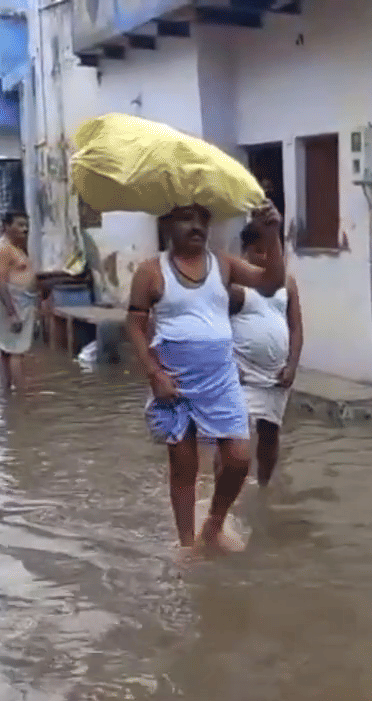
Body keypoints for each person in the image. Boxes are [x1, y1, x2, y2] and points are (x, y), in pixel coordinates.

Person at [125, 201, 284, 552]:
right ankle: (186, 545)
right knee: (184, 466)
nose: (196, 226)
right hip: (176, 381)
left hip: (222, 380)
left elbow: (271, 283)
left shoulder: (222, 264)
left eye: (202, 219)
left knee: (240, 458)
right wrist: (154, 373)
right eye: (186, 219)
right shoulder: (151, 271)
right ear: (167, 225)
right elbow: (134, 325)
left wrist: (272, 235)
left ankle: (212, 525)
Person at [228, 223, 303, 487]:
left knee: (270, 434)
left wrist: (292, 366)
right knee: (235, 439)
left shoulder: (287, 282)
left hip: (275, 376)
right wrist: (227, 365)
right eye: (258, 252)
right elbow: (216, 327)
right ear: (244, 252)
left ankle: (263, 488)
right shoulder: (235, 286)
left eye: (270, 251)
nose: (265, 258)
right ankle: (225, 492)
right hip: (242, 376)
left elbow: (295, 327)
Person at [0, 212, 36, 391]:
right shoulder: (2, 248)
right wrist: (12, 313)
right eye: (20, 225)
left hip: (19, 301)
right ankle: (20, 397)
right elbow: (0, 281)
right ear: (7, 226)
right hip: (11, 303)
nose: (25, 229)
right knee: (15, 351)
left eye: (26, 225)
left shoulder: (14, 247)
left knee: (8, 350)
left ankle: (8, 393)